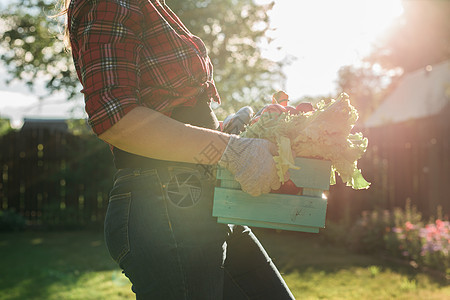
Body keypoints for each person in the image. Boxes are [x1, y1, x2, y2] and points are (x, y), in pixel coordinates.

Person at [61, 0, 295, 298]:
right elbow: (114, 117)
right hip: (166, 208)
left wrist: (224, 133)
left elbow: (166, 109)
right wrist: (230, 150)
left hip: (206, 199)